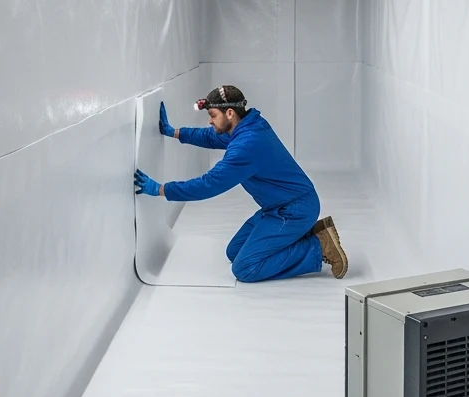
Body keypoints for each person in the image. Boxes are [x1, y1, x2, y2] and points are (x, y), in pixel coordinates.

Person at [133, 85, 348, 282]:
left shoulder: (247, 145)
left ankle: (318, 247)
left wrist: (162, 189)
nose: (210, 121)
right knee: (233, 252)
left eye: (212, 115)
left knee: (245, 268)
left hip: (293, 210)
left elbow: (210, 184)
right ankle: (305, 234)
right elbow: (211, 137)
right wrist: (175, 132)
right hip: (278, 207)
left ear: (229, 113)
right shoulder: (248, 126)